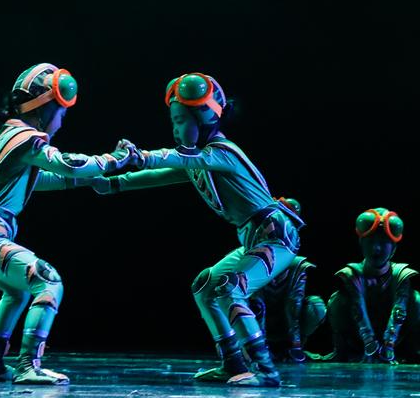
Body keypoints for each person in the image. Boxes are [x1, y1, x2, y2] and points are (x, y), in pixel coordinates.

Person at [91, 72, 304, 386]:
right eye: (173, 121)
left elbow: (174, 159)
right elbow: (164, 173)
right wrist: (114, 184)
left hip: (277, 237)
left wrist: (140, 157)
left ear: (204, 119)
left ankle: (266, 370)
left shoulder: (221, 152)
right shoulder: (201, 161)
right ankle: (233, 363)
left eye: (180, 120)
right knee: (206, 286)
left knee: (231, 288)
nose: (175, 129)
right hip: (254, 237)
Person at [0, 63, 135, 385]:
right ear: (44, 108)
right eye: (61, 113)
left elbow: (41, 180)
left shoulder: (5, 138)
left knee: (16, 292)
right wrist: (115, 159)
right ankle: (29, 366)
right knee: (48, 281)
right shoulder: (26, 138)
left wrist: (90, 181)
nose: (62, 122)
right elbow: (68, 165)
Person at [326, 207, 420, 364]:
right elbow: (358, 309)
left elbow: (400, 309)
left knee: (416, 300)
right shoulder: (353, 274)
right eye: (371, 242)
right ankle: (341, 353)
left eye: (383, 243)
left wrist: (388, 347)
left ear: (393, 248)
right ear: (362, 244)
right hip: (359, 340)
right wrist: (370, 346)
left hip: (394, 342)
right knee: (337, 301)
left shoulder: (400, 274)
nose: (376, 248)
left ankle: (412, 353)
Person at [247, 198, 326, 363]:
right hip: (255, 329)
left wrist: (295, 346)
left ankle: (291, 348)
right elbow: (256, 301)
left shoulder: (297, 266)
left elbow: (294, 304)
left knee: (315, 306)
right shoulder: (251, 257)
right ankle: (252, 347)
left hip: (285, 328)